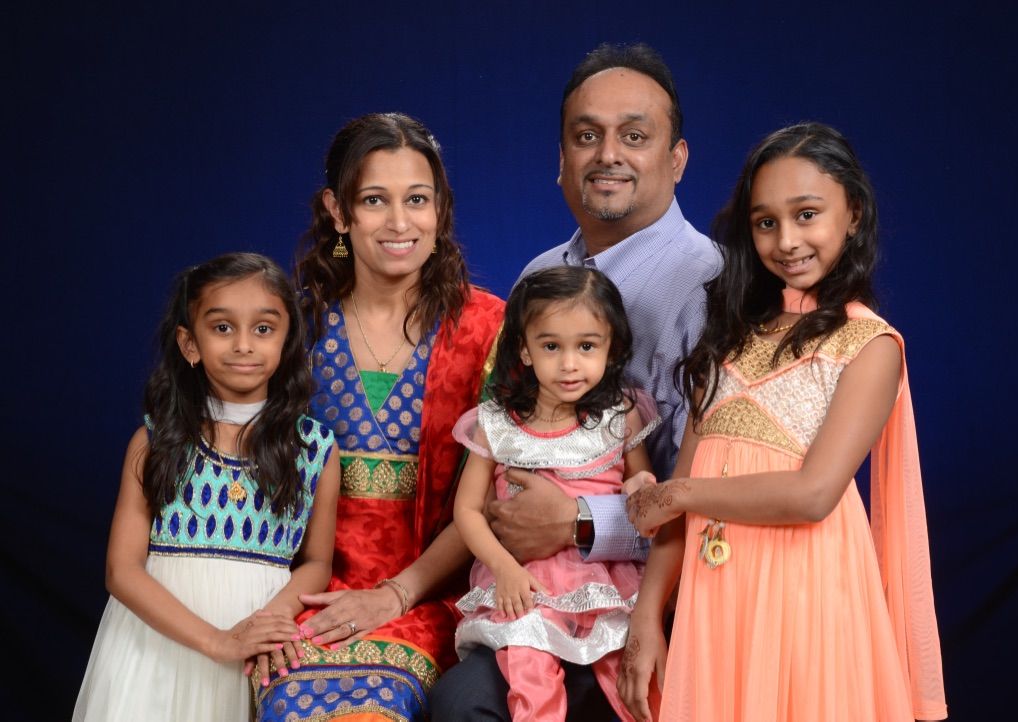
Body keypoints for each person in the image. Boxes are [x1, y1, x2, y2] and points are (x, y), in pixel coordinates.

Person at [430, 41, 720, 722]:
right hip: (527, 595)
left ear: (677, 159)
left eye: (634, 136)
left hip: (659, 597)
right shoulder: (538, 278)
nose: (607, 154)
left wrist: (580, 522)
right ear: (561, 160)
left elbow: (714, 492)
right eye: (586, 136)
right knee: (463, 706)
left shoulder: (715, 287)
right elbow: (497, 451)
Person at [618, 122, 947, 722]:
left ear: (853, 214)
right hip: (716, 601)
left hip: (808, 600)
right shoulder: (729, 340)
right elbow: (680, 494)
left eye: (807, 215)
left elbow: (812, 494)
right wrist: (647, 614)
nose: (787, 240)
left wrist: (678, 494)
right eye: (766, 222)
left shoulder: (868, 345)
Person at [253, 112, 505, 721]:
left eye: (417, 199)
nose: (399, 222)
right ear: (338, 212)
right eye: (374, 200)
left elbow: (494, 500)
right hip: (305, 595)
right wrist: (274, 608)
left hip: (433, 599)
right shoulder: (295, 329)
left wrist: (394, 595)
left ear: (440, 209)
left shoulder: (488, 331)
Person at [73, 252, 340, 721]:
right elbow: (121, 570)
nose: (243, 345)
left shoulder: (314, 448)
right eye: (222, 327)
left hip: (257, 642)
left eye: (263, 328)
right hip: (158, 646)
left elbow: (317, 562)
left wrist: (267, 622)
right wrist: (216, 641)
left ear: (287, 341)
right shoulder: (156, 442)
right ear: (189, 343)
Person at [452, 266, 659, 722]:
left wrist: (641, 486)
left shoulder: (620, 416)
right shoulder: (497, 423)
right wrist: (504, 568)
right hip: (526, 583)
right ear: (525, 349)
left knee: (632, 683)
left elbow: (641, 484)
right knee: (529, 675)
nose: (569, 364)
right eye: (551, 346)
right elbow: (466, 510)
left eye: (586, 346)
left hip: (605, 580)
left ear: (611, 348)